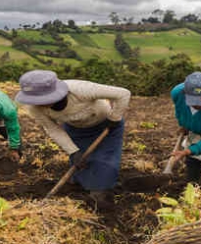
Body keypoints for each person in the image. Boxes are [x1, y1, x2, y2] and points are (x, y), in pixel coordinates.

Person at [15, 70, 129, 209]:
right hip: (76, 130)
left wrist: (115, 118)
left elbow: (123, 93)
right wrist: (73, 151)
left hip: (107, 126)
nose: (39, 104)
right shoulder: (34, 108)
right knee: (81, 163)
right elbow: (52, 129)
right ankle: (82, 186)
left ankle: (102, 191)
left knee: (105, 162)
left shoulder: (79, 89)